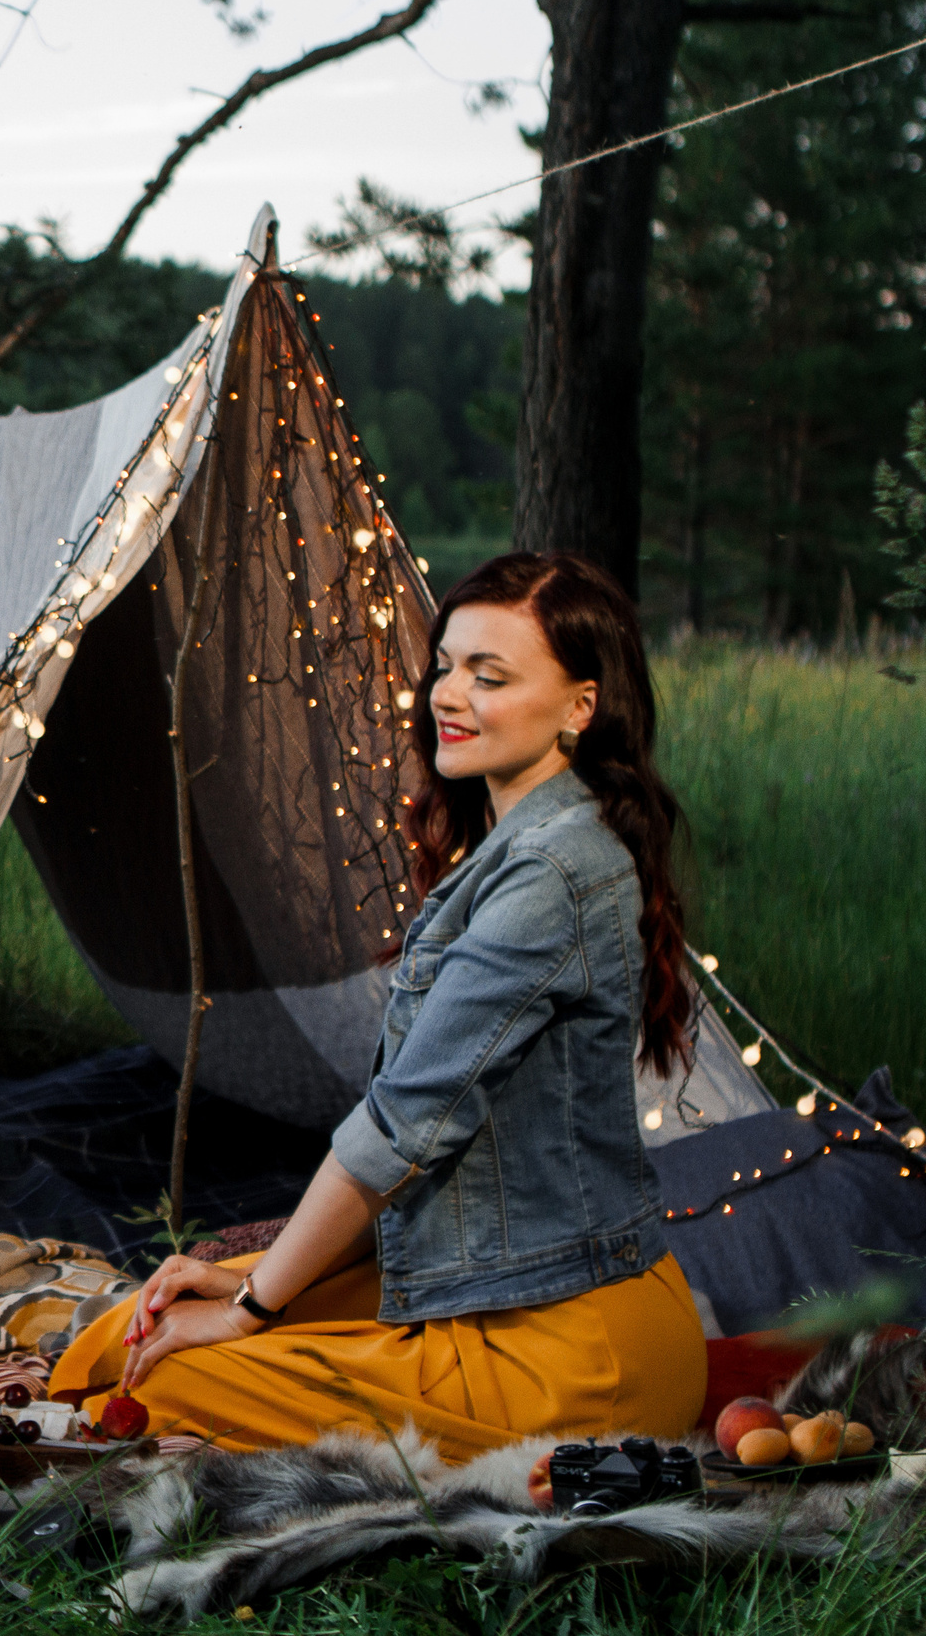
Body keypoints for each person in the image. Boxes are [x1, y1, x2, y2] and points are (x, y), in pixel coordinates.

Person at [47, 550, 707, 1458]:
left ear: (580, 707)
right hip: (492, 1280)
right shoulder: (530, 838)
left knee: (161, 1379)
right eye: (446, 664)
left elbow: (404, 1127)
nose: (449, 693)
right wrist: (241, 1283)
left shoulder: (555, 870)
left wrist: (252, 1305)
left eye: (491, 675)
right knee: (132, 1326)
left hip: (570, 1350)